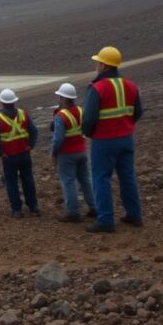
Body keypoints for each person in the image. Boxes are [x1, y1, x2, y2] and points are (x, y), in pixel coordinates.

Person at [83, 46, 143, 233]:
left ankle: (105, 220)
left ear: (103, 65)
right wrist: (125, 125)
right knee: (127, 177)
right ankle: (134, 215)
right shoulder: (130, 85)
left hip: (104, 140)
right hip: (125, 138)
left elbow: (88, 118)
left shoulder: (97, 88)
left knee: (101, 178)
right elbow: (137, 112)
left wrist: (89, 133)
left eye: (97, 62)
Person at [0, 88, 40, 218]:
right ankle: (33, 207)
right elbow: (34, 131)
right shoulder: (23, 114)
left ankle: (17, 209)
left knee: (11, 182)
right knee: (28, 179)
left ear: (2, 102)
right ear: (14, 101)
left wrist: (0, 153)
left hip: (9, 156)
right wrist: (30, 145)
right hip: (24, 153)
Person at [50, 83, 96, 223]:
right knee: (86, 180)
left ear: (64, 98)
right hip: (82, 150)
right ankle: (94, 207)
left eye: (60, 97)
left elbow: (58, 139)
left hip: (67, 154)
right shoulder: (81, 111)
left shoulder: (61, 116)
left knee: (68, 181)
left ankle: (73, 212)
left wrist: (54, 153)